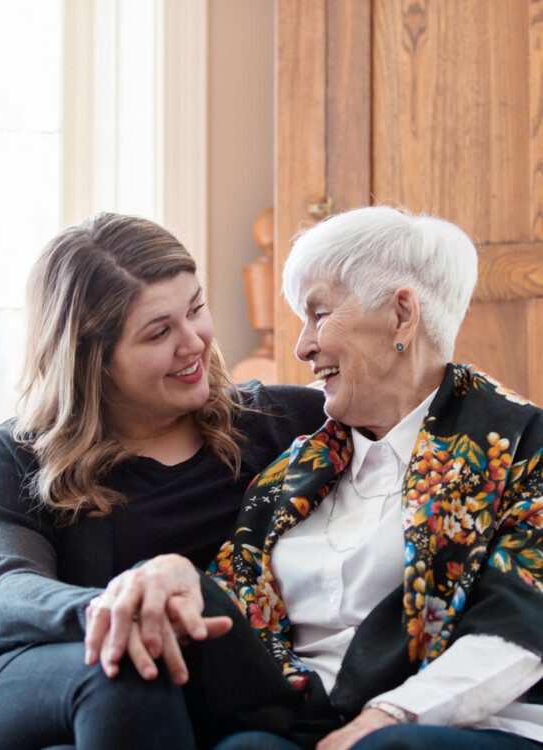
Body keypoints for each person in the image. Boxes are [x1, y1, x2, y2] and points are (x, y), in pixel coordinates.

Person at [93, 206, 541, 750]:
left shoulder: (523, 448)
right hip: (305, 718)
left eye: (319, 314)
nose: (302, 346)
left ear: (402, 315)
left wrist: (384, 719)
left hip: (466, 724)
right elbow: (234, 601)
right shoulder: (295, 469)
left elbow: (518, 624)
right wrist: (166, 574)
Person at [0, 212, 327, 750]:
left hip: (226, 688)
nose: (193, 342)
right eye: (158, 332)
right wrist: (113, 609)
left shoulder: (280, 423)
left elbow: (441, 423)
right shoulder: (20, 455)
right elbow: (5, 589)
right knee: (127, 665)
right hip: (52, 672)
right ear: (91, 359)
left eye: (195, 308)